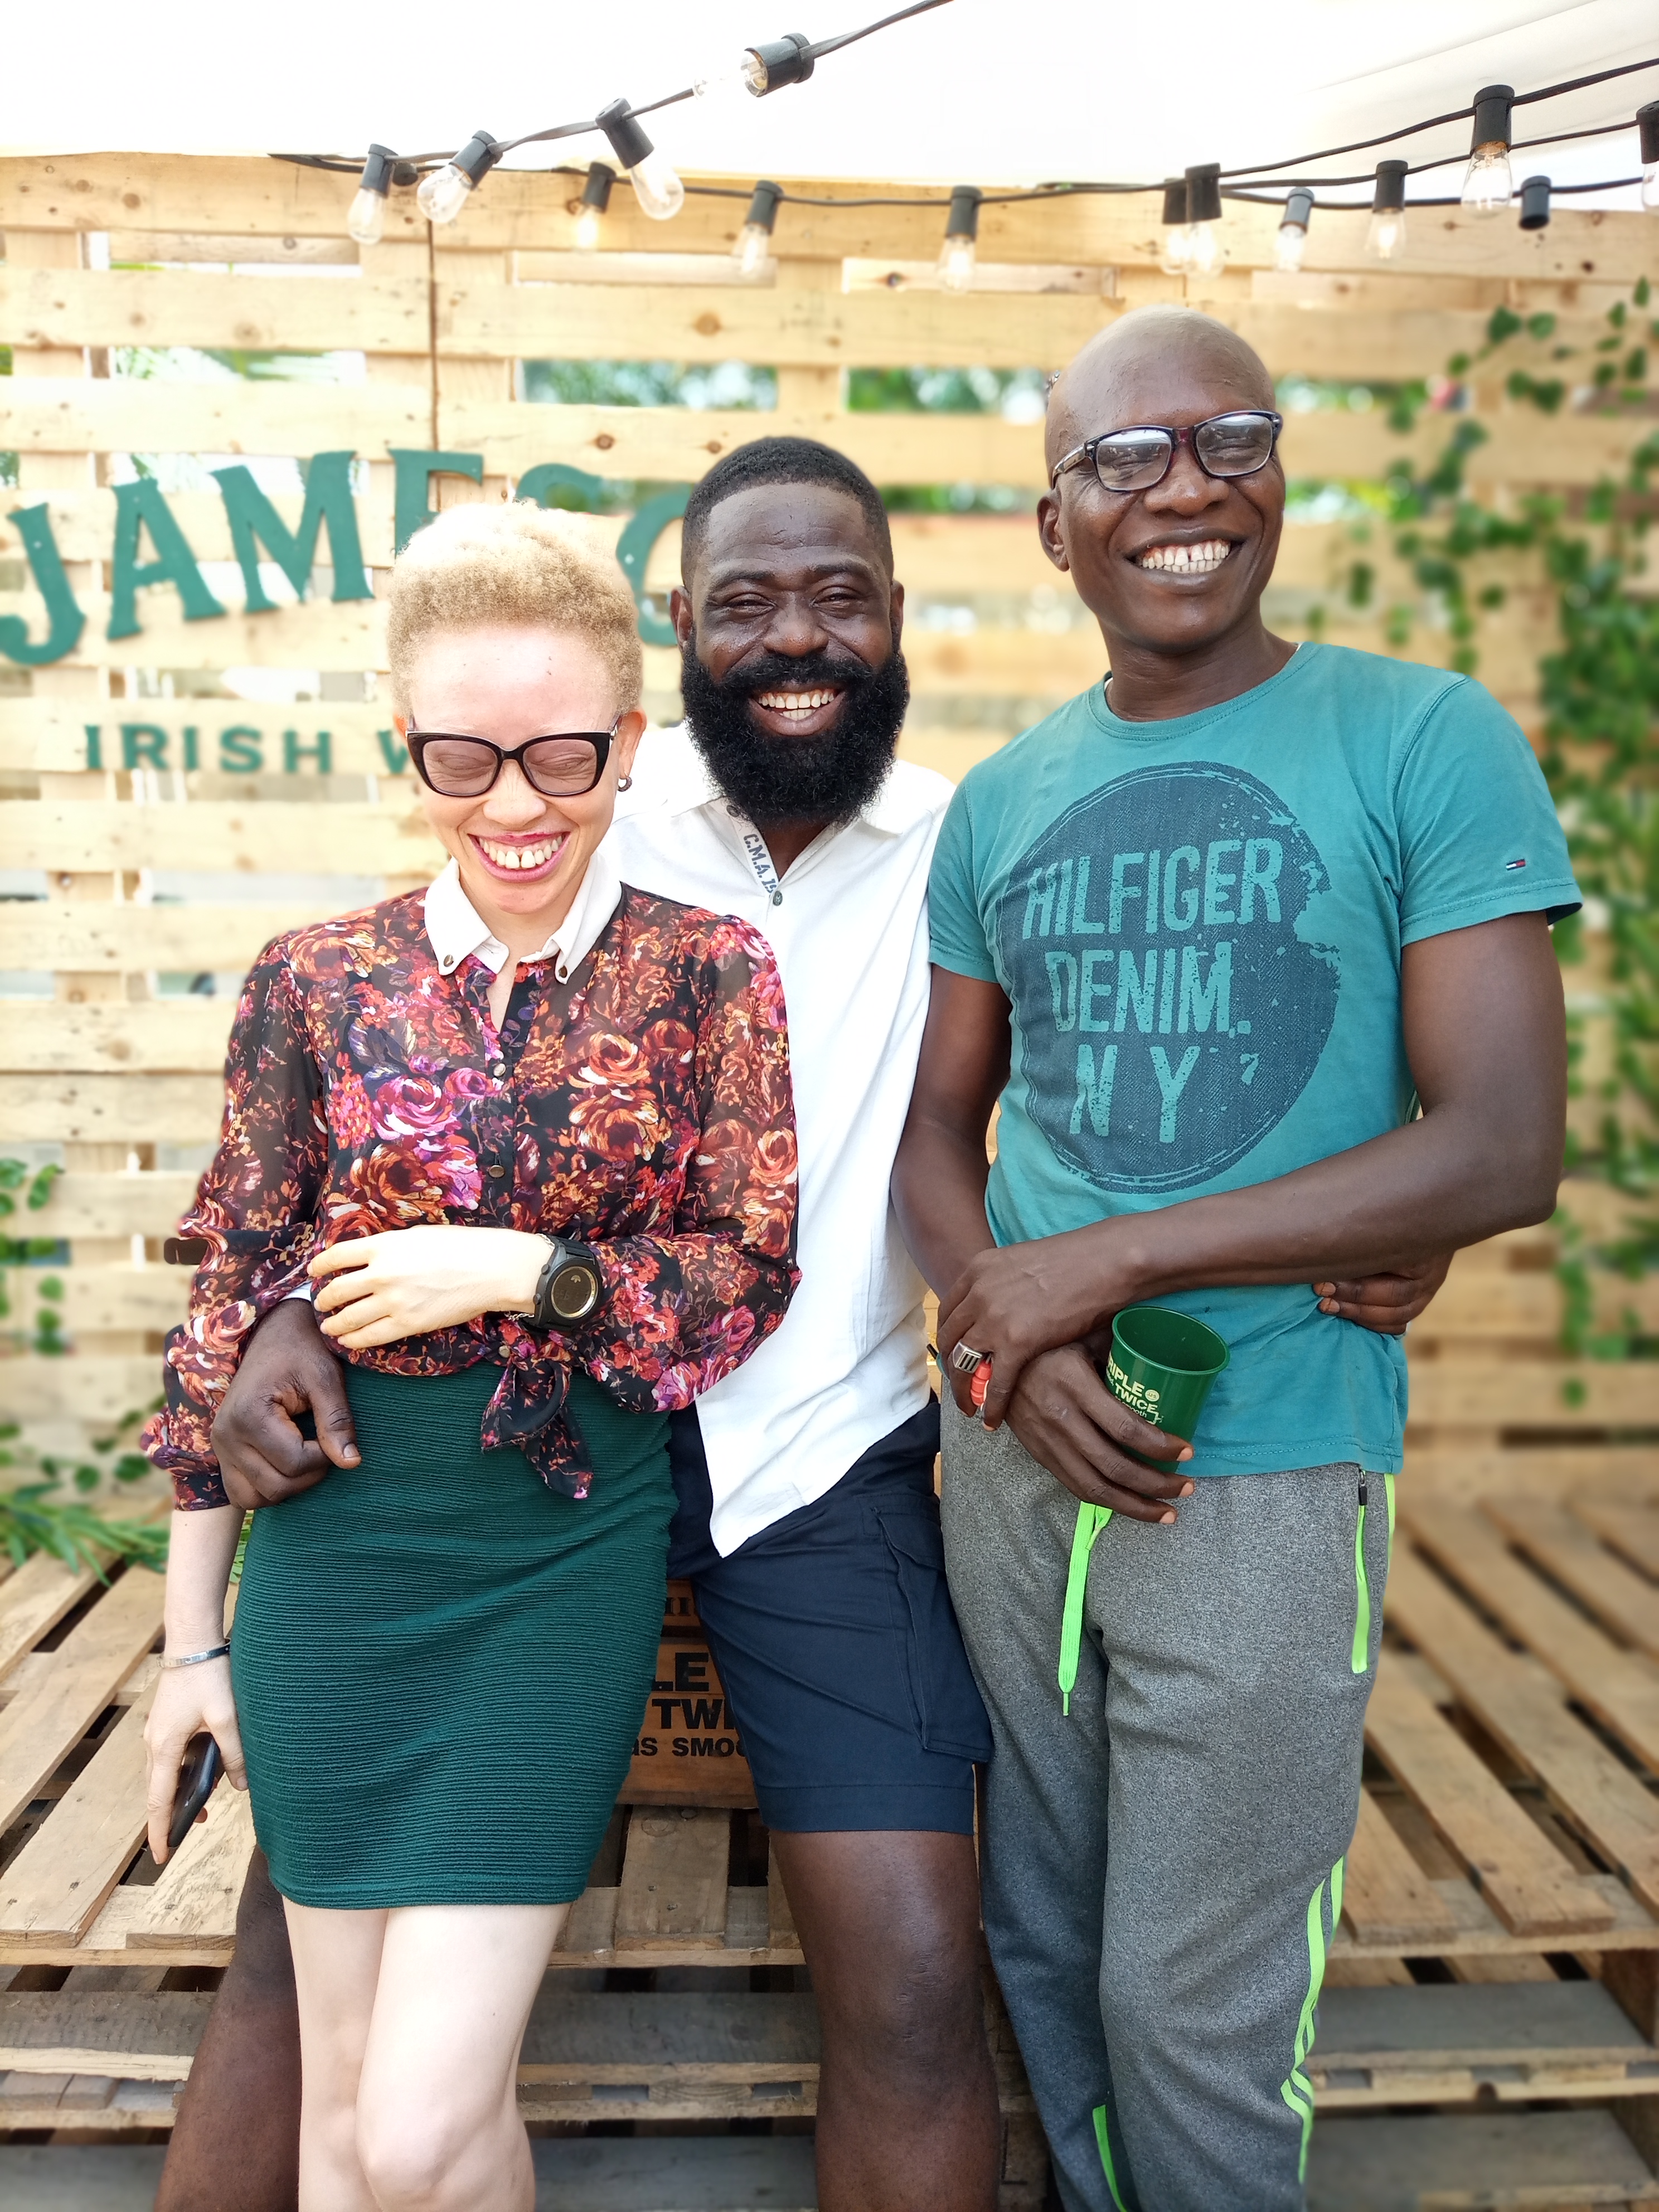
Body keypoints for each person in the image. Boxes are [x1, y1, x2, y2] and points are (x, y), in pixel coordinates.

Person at [153, 437, 1448, 2212]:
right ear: (682, 631)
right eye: (745, 604)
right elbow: (379, 1123)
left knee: (913, 1970)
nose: (794, 642)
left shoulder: (976, 840)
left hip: (818, 1456)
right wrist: (292, 1308)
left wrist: (1390, 1214)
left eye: (839, 599)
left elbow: (1142, 1074)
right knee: (289, 1978)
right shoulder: (574, 802)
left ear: (896, 617)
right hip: (527, 1463)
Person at [890, 307, 1578, 2212]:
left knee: (1191, 2005)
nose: (1184, 488)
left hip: (1263, 1461)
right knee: (1043, 1946)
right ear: (1055, 525)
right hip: (1016, 1460)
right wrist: (1008, 1340)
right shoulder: (1003, 803)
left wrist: (1094, 1269)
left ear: (1279, 472)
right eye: (1125, 457)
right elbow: (934, 1135)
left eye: (1231, 440)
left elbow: (1502, 1144)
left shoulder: (1422, 737)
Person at [142, 501, 799, 2212]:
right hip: (335, 1572)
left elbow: (746, 1277)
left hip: (549, 1567)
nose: (516, 802)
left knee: (422, 2128)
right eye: (465, 755)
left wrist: (525, 1272)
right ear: (407, 746)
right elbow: (227, 1310)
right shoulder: (312, 982)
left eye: (563, 754)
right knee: (346, 2130)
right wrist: (188, 1647)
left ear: (630, 745)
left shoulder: (709, 974)